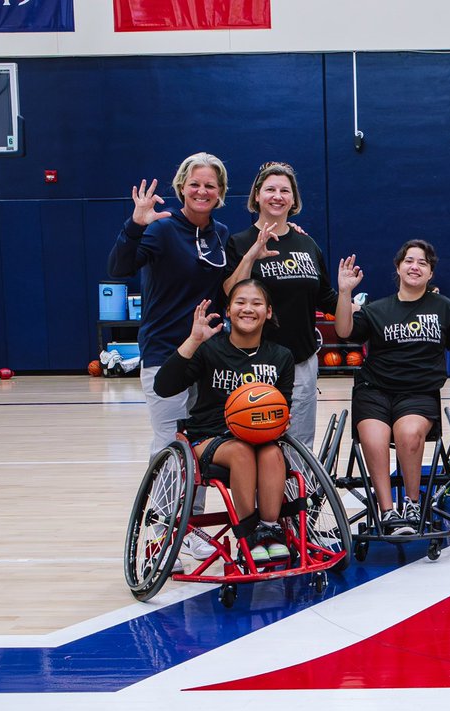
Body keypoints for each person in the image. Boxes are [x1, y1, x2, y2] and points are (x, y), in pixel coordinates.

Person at [108, 152, 232, 564]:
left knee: (200, 446)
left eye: (210, 185)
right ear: (181, 187)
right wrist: (135, 224)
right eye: (195, 183)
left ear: (220, 192)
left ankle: (189, 526)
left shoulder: (221, 234)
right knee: (170, 445)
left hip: (207, 358)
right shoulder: (160, 228)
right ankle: (160, 533)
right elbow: (120, 267)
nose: (202, 191)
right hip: (165, 353)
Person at [153, 280, 295, 566]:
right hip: (209, 437)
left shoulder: (281, 357)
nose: (248, 308)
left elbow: (283, 408)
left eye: (256, 303)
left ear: (268, 312)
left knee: (272, 453)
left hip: (260, 438)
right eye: (240, 302)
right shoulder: (209, 350)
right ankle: (248, 535)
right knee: (241, 451)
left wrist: (281, 421)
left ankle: (269, 530)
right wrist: (194, 340)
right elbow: (164, 386)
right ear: (228, 310)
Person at [334, 240, 450, 535]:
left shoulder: (444, 308)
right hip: (374, 391)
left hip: (418, 393)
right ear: (398, 267)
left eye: (423, 262)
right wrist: (344, 293)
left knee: (408, 435)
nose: (415, 267)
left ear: (431, 273)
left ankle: (412, 503)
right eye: (409, 261)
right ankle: (387, 512)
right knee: (374, 439)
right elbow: (344, 331)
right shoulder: (377, 309)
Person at [225, 161, 340, 447]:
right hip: (253, 362)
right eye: (270, 189)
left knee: (299, 445)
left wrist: (368, 311)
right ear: (256, 196)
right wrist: (251, 256)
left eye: (285, 191)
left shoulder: (307, 244)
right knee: (255, 443)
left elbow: (326, 298)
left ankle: (295, 481)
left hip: (301, 360)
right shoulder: (239, 242)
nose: (277, 196)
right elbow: (229, 294)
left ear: (294, 199)